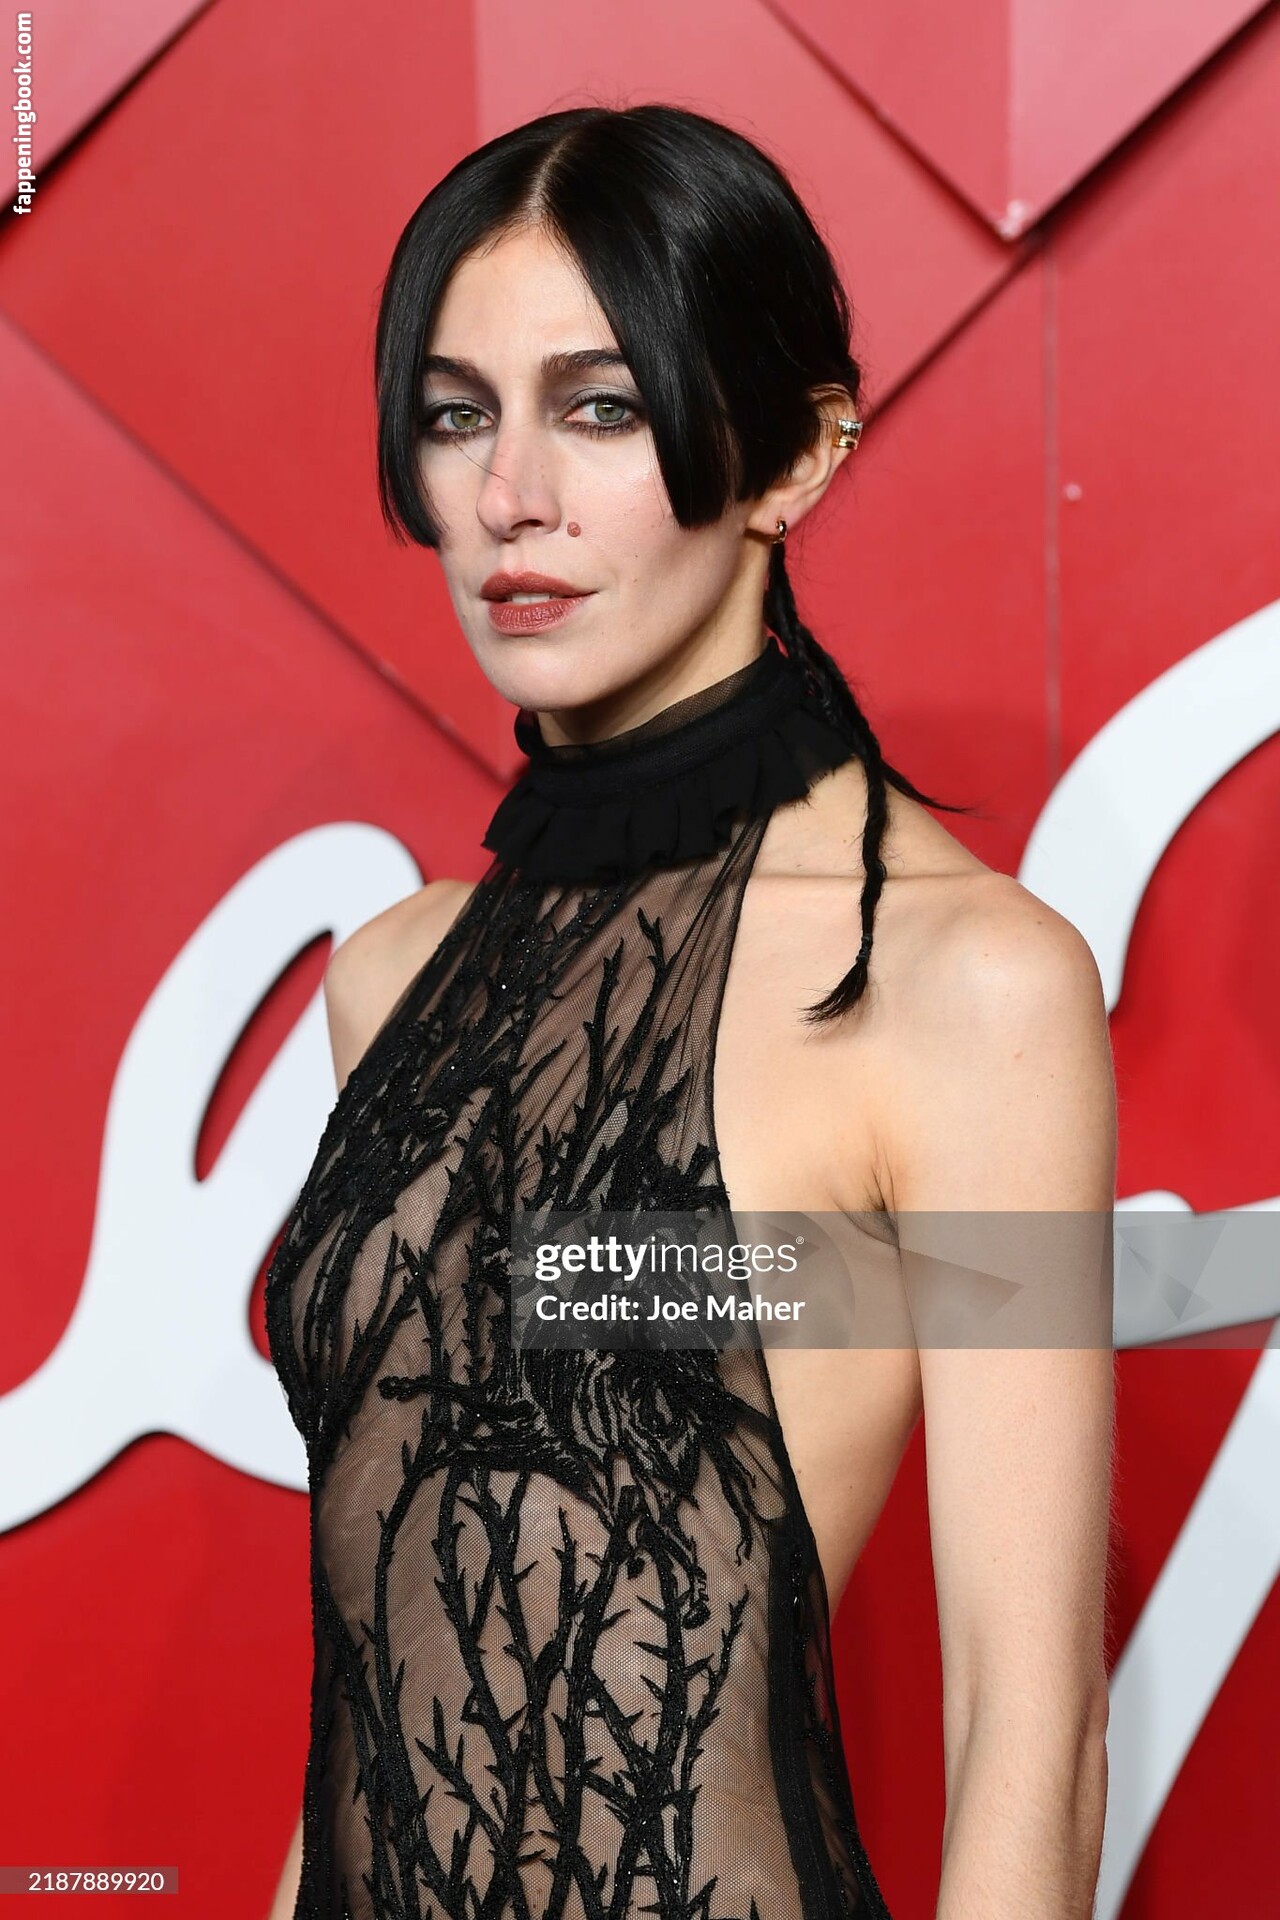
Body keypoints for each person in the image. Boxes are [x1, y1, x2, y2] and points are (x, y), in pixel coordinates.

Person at [265, 103, 1116, 1920]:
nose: (511, 496)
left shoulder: (968, 989)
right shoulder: (388, 977)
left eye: (601, 408)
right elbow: (373, 1666)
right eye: (457, 414)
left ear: (794, 457)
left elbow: (1027, 1733)